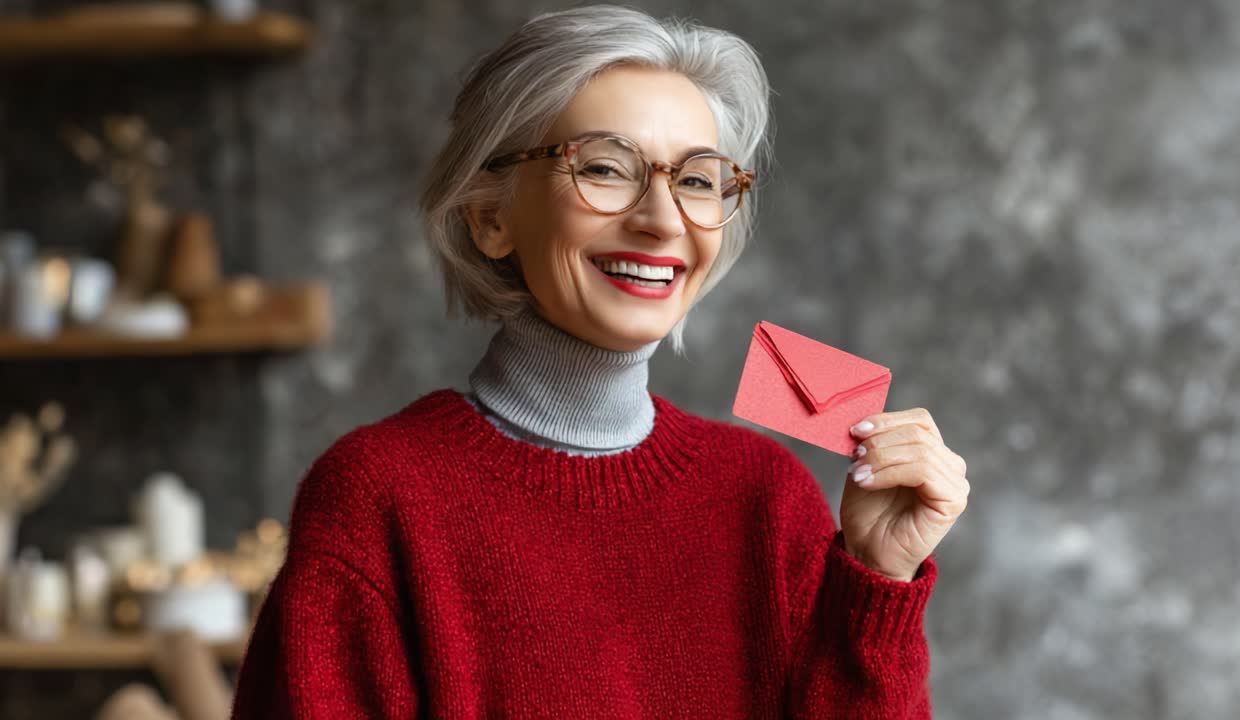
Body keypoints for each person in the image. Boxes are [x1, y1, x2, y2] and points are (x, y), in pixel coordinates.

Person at [231, 5, 970, 718]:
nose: (661, 220)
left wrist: (880, 576)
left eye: (696, 180)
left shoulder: (769, 498)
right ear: (490, 218)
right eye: (607, 168)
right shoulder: (376, 499)